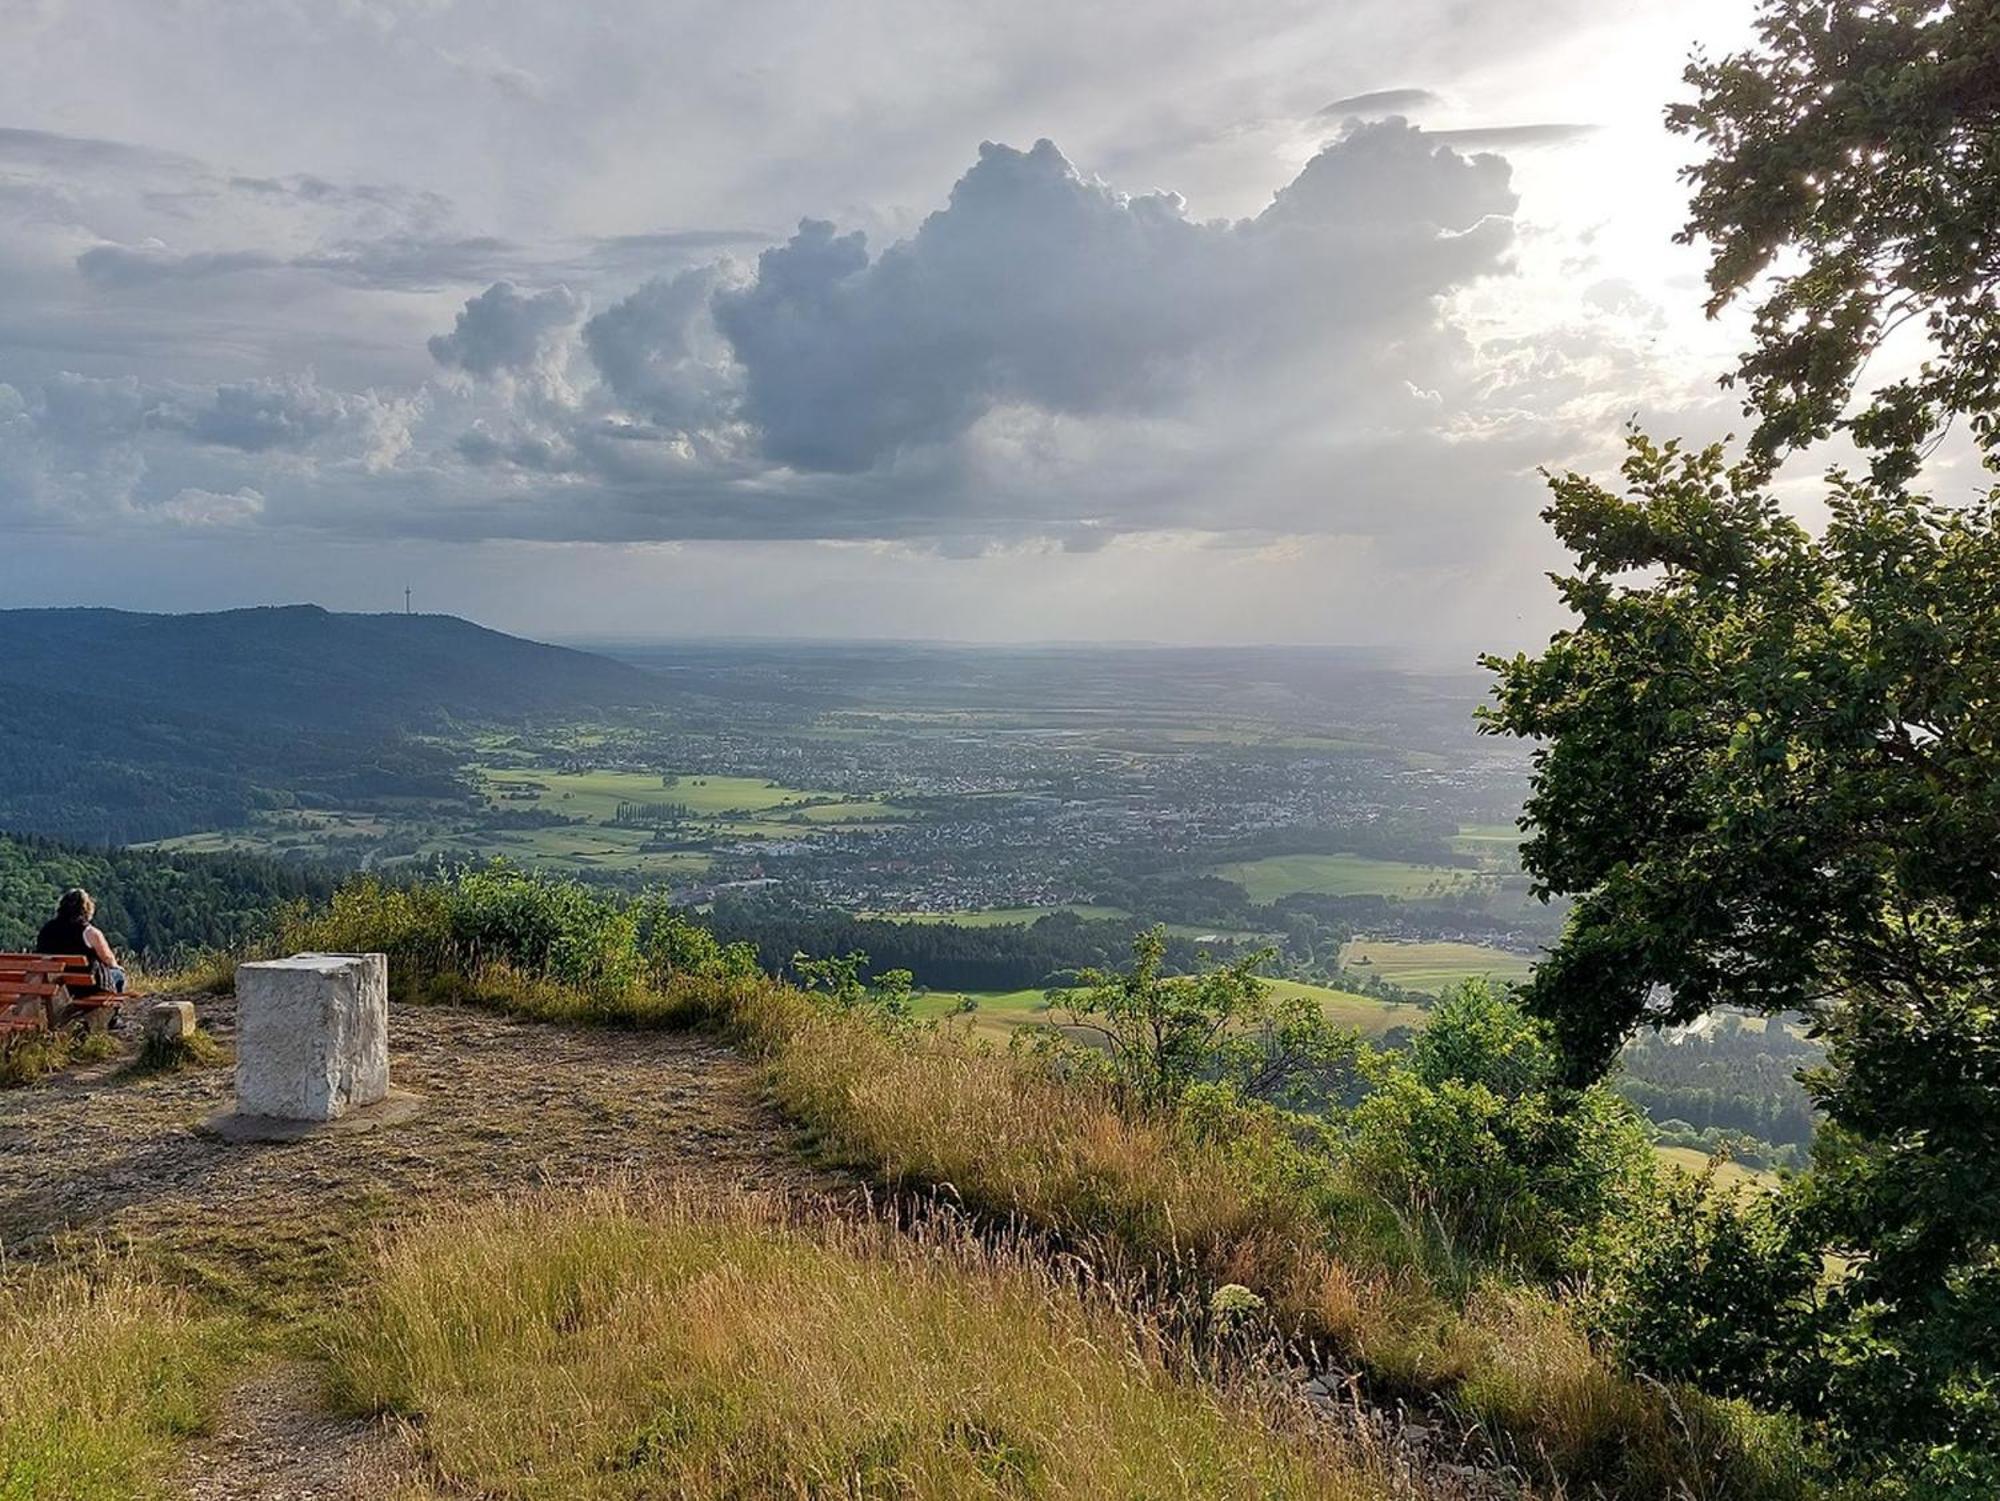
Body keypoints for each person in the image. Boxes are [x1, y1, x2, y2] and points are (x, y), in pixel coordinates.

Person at [36, 887, 127, 995]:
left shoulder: (47, 930)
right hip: (86, 988)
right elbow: (108, 959)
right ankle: (115, 1009)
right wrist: (116, 966)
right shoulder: (89, 932)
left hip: (57, 985)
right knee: (119, 974)